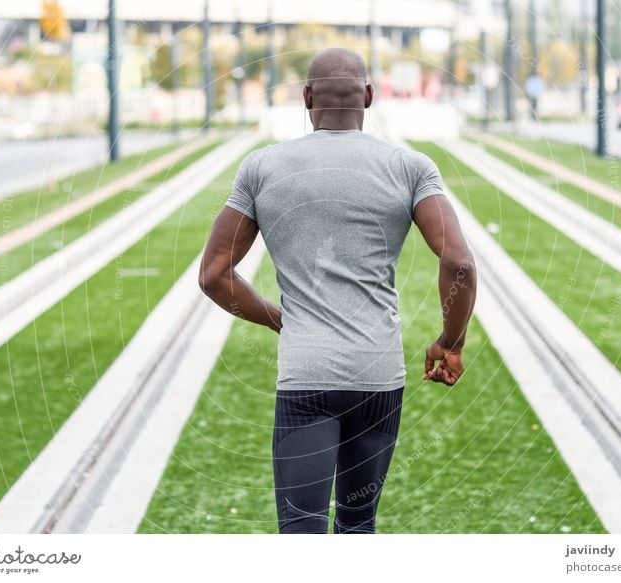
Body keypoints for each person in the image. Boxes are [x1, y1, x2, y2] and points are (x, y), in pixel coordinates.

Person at [199, 48, 477, 534]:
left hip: (306, 374)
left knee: (302, 529)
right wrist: (450, 341)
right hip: (378, 374)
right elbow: (459, 262)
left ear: (307, 99)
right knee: (356, 525)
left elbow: (214, 274)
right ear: (368, 97)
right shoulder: (410, 167)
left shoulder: (262, 166)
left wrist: (274, 315)